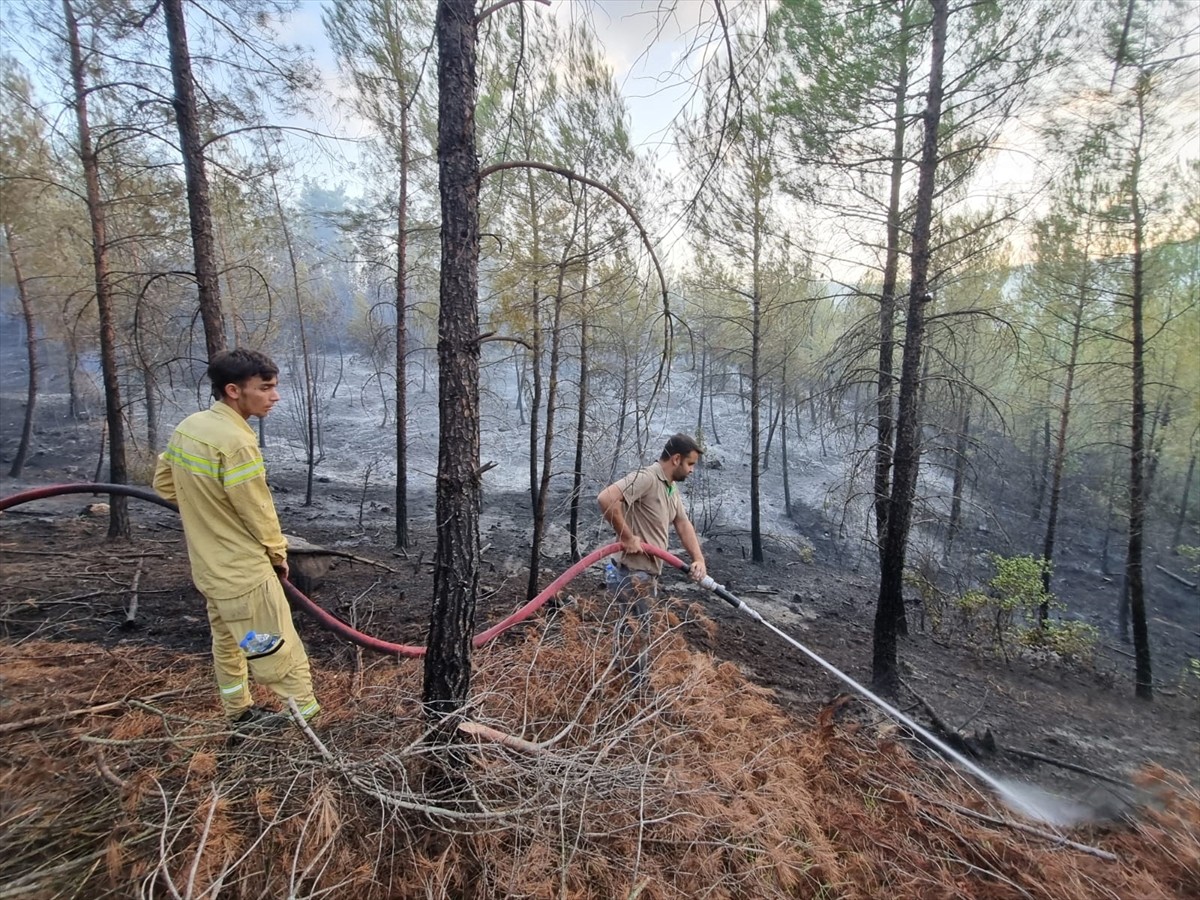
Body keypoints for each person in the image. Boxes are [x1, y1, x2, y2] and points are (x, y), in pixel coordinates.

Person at [153, 348, 319, 731]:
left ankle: (238, 713)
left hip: (209, 570)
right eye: (265, 388)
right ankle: (308, 728)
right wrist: (279, 555)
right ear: (233, 390)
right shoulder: (237, 443)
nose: (274, 396)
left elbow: (164, 485)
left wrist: (206, 511)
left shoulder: (190, 426)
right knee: (277, 650)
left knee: (228, 643)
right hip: (244, 574)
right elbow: (258, 511)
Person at [597, 433, 709, 685]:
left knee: (633, 632)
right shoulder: (648, 477)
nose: (692, 471)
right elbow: (606, 498)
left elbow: (682, 523)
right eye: (690, 464)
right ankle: (634, 693)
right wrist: (626, 536)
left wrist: (698, 559)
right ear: (676, 458)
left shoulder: (670, 486)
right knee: (638, 635)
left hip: (644, 574)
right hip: (629, 573)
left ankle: (618, 685)